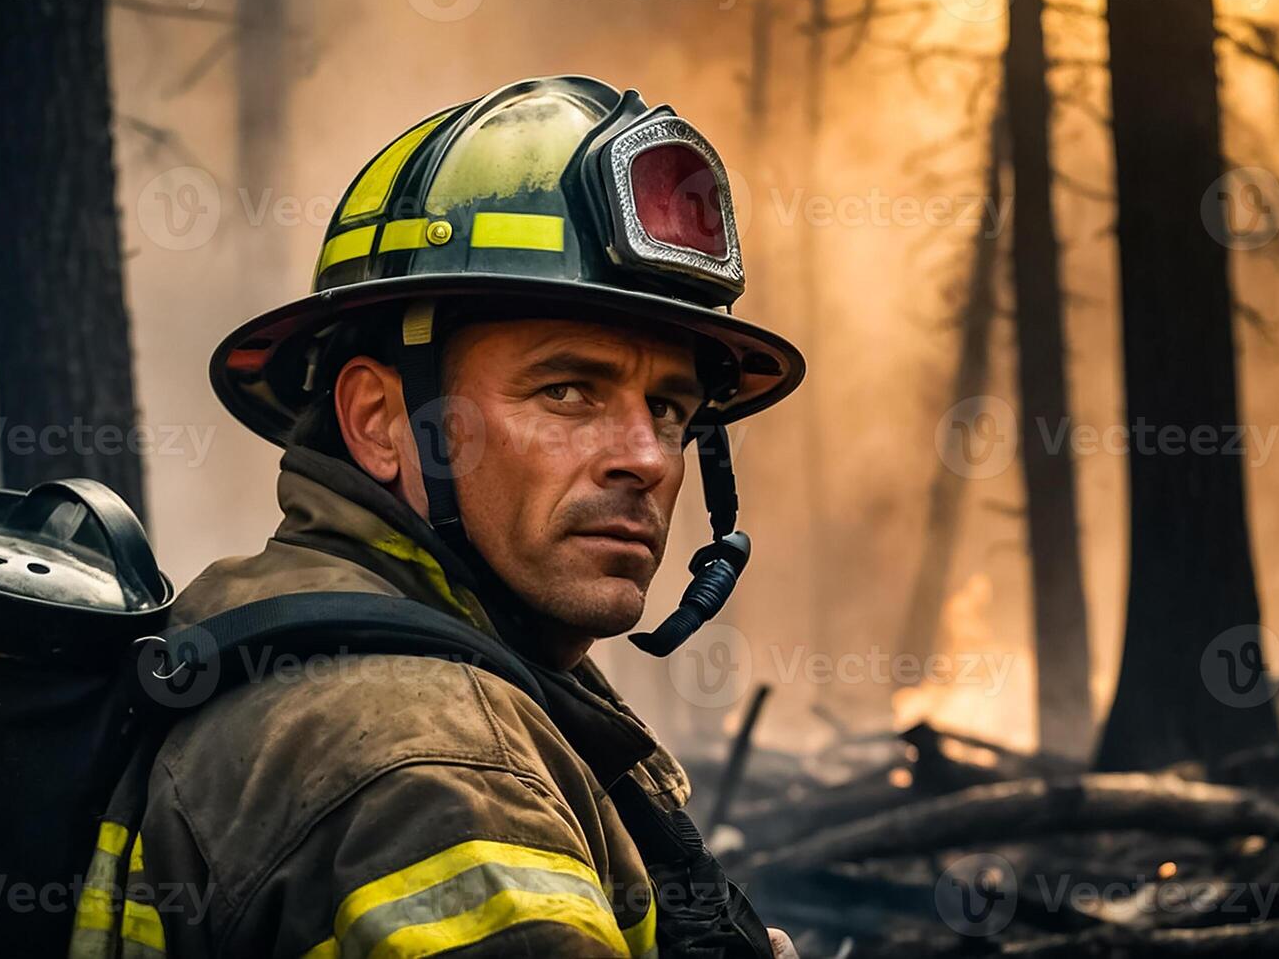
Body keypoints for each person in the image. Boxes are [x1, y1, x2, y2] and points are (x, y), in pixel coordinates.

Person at [71, 75, 804, 959]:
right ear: (382, 423)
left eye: (671, 410)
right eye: (568, 390)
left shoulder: (268, 644)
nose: (646, 458)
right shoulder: (440, 764)